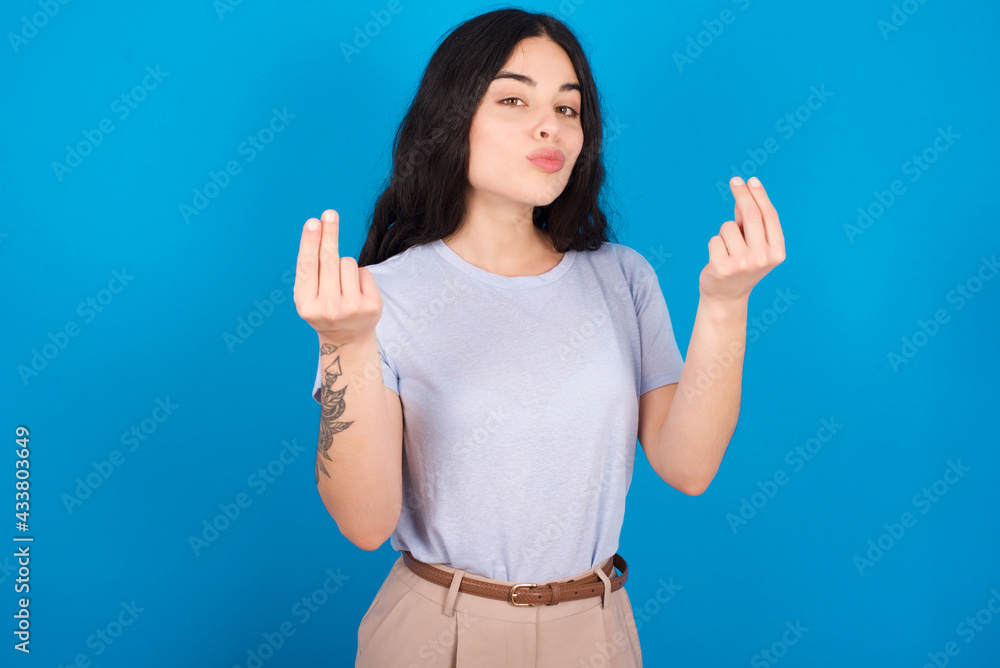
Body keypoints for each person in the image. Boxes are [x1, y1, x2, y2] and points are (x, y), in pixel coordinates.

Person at [293, 7, 785, 668]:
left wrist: (726, 304)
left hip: (596, 632)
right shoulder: (380, 299)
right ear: (451, 118)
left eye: (569, 107)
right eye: (514, 98)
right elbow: (364, 522)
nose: (549, 124)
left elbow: (688, 466)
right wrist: (347, 346)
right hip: (439, 634)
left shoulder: (622, 277)